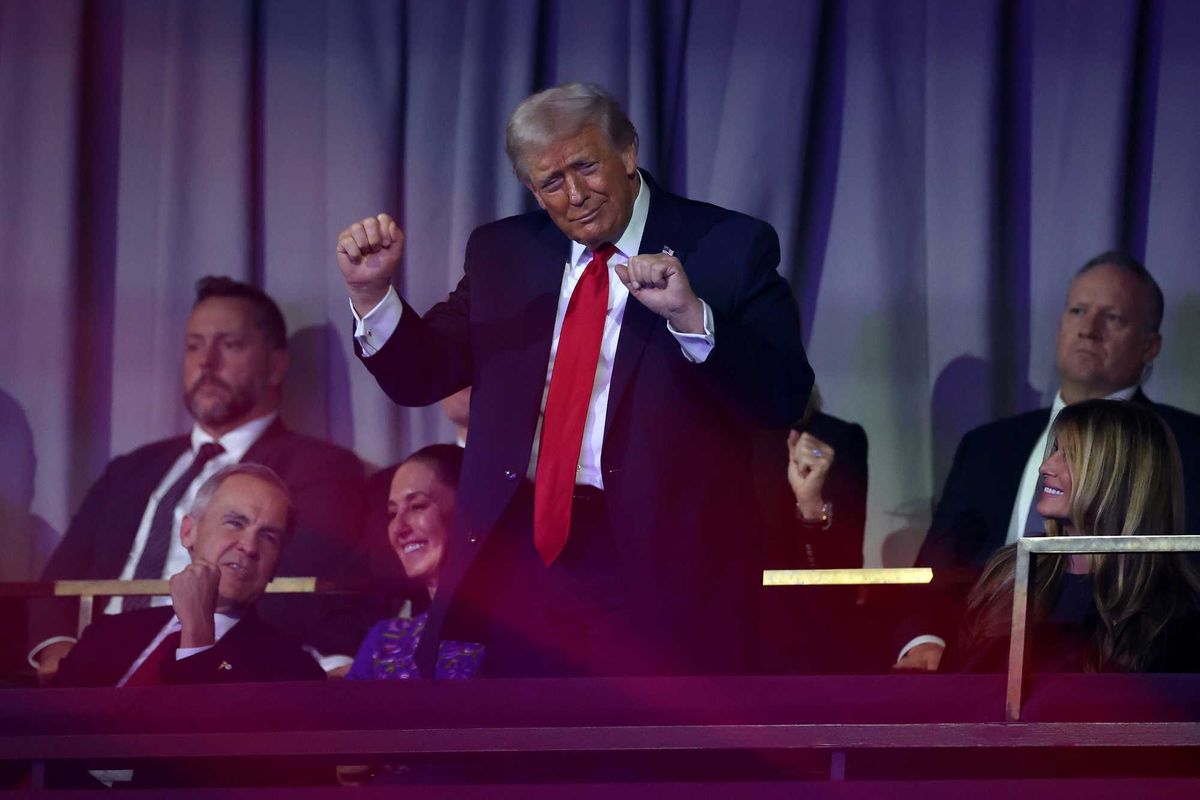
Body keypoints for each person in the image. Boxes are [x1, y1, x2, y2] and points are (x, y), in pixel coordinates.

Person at [336, 82, 812, 677]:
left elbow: (781, 395)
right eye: (552, 182)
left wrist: (693, 318)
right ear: (532, 189)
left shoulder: (728, 245)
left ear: (628, 153)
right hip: (529, 566)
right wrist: (372, 294)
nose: (577, 195)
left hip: (669, 576)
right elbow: (422, 373)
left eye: (587, 166)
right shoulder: (504, 252)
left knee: (651, 766)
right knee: (533, 762)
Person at [31, 277, 368, 682]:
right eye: (194, 346)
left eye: (229, 344)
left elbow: (291, 597)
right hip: (101, 665)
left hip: (228, 668)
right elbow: (61, 578)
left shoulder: (320, 468)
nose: (206, 362)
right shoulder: (131, 468)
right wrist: (58, 654)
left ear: (277, 365)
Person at [898, 252, 1200, 671]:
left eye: (1112, 317)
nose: (1088, 329)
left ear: (1150, 345)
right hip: (978, 679)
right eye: (1078, 310)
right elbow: (937, 569)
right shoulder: (987, 446)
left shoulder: (1187, 444)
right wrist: (925, 640)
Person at [952, 400, 1200, 672]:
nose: (1045, 467)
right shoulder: (1012, 570)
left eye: (1070, 456)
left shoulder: (1176, 610)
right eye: (1055, 450)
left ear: (1119, 476)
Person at [54, 464, 325, 686]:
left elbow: (196, 741)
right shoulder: (108, 634)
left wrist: (197, 632)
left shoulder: (292, 671)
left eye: (268, 537)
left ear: (277, 562)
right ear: (188, 532)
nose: (250, 546)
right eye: (235, 523)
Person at [347, 445, 483, 680]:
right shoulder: (383, 643)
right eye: (392, 514)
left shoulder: (524, 636)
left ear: (468, 510)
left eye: (417, 506)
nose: (399, 528)